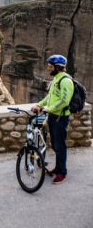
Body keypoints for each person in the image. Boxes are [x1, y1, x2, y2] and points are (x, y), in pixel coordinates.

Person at [32, 54, 74, 184]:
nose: (48, 68)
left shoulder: (66, 81)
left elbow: (64, 101)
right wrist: (40, 104)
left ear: (57, 67)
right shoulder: (56, 79)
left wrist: (48, 109)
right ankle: (58, 168)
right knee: (56, 145)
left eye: (50, 66)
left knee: (60, 146)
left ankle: (62, 173)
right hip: (53, 116)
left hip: (60, 118)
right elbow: (49, 98)